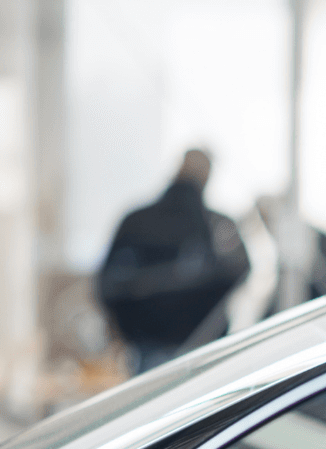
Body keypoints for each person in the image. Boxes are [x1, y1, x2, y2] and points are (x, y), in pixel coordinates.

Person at [96, 148, 250, 373]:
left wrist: (126, 330)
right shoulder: (219, 226)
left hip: (146, 348)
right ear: (207, 178)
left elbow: (106, 284)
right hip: (202, 347)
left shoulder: (135, 220)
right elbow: (242, 270)